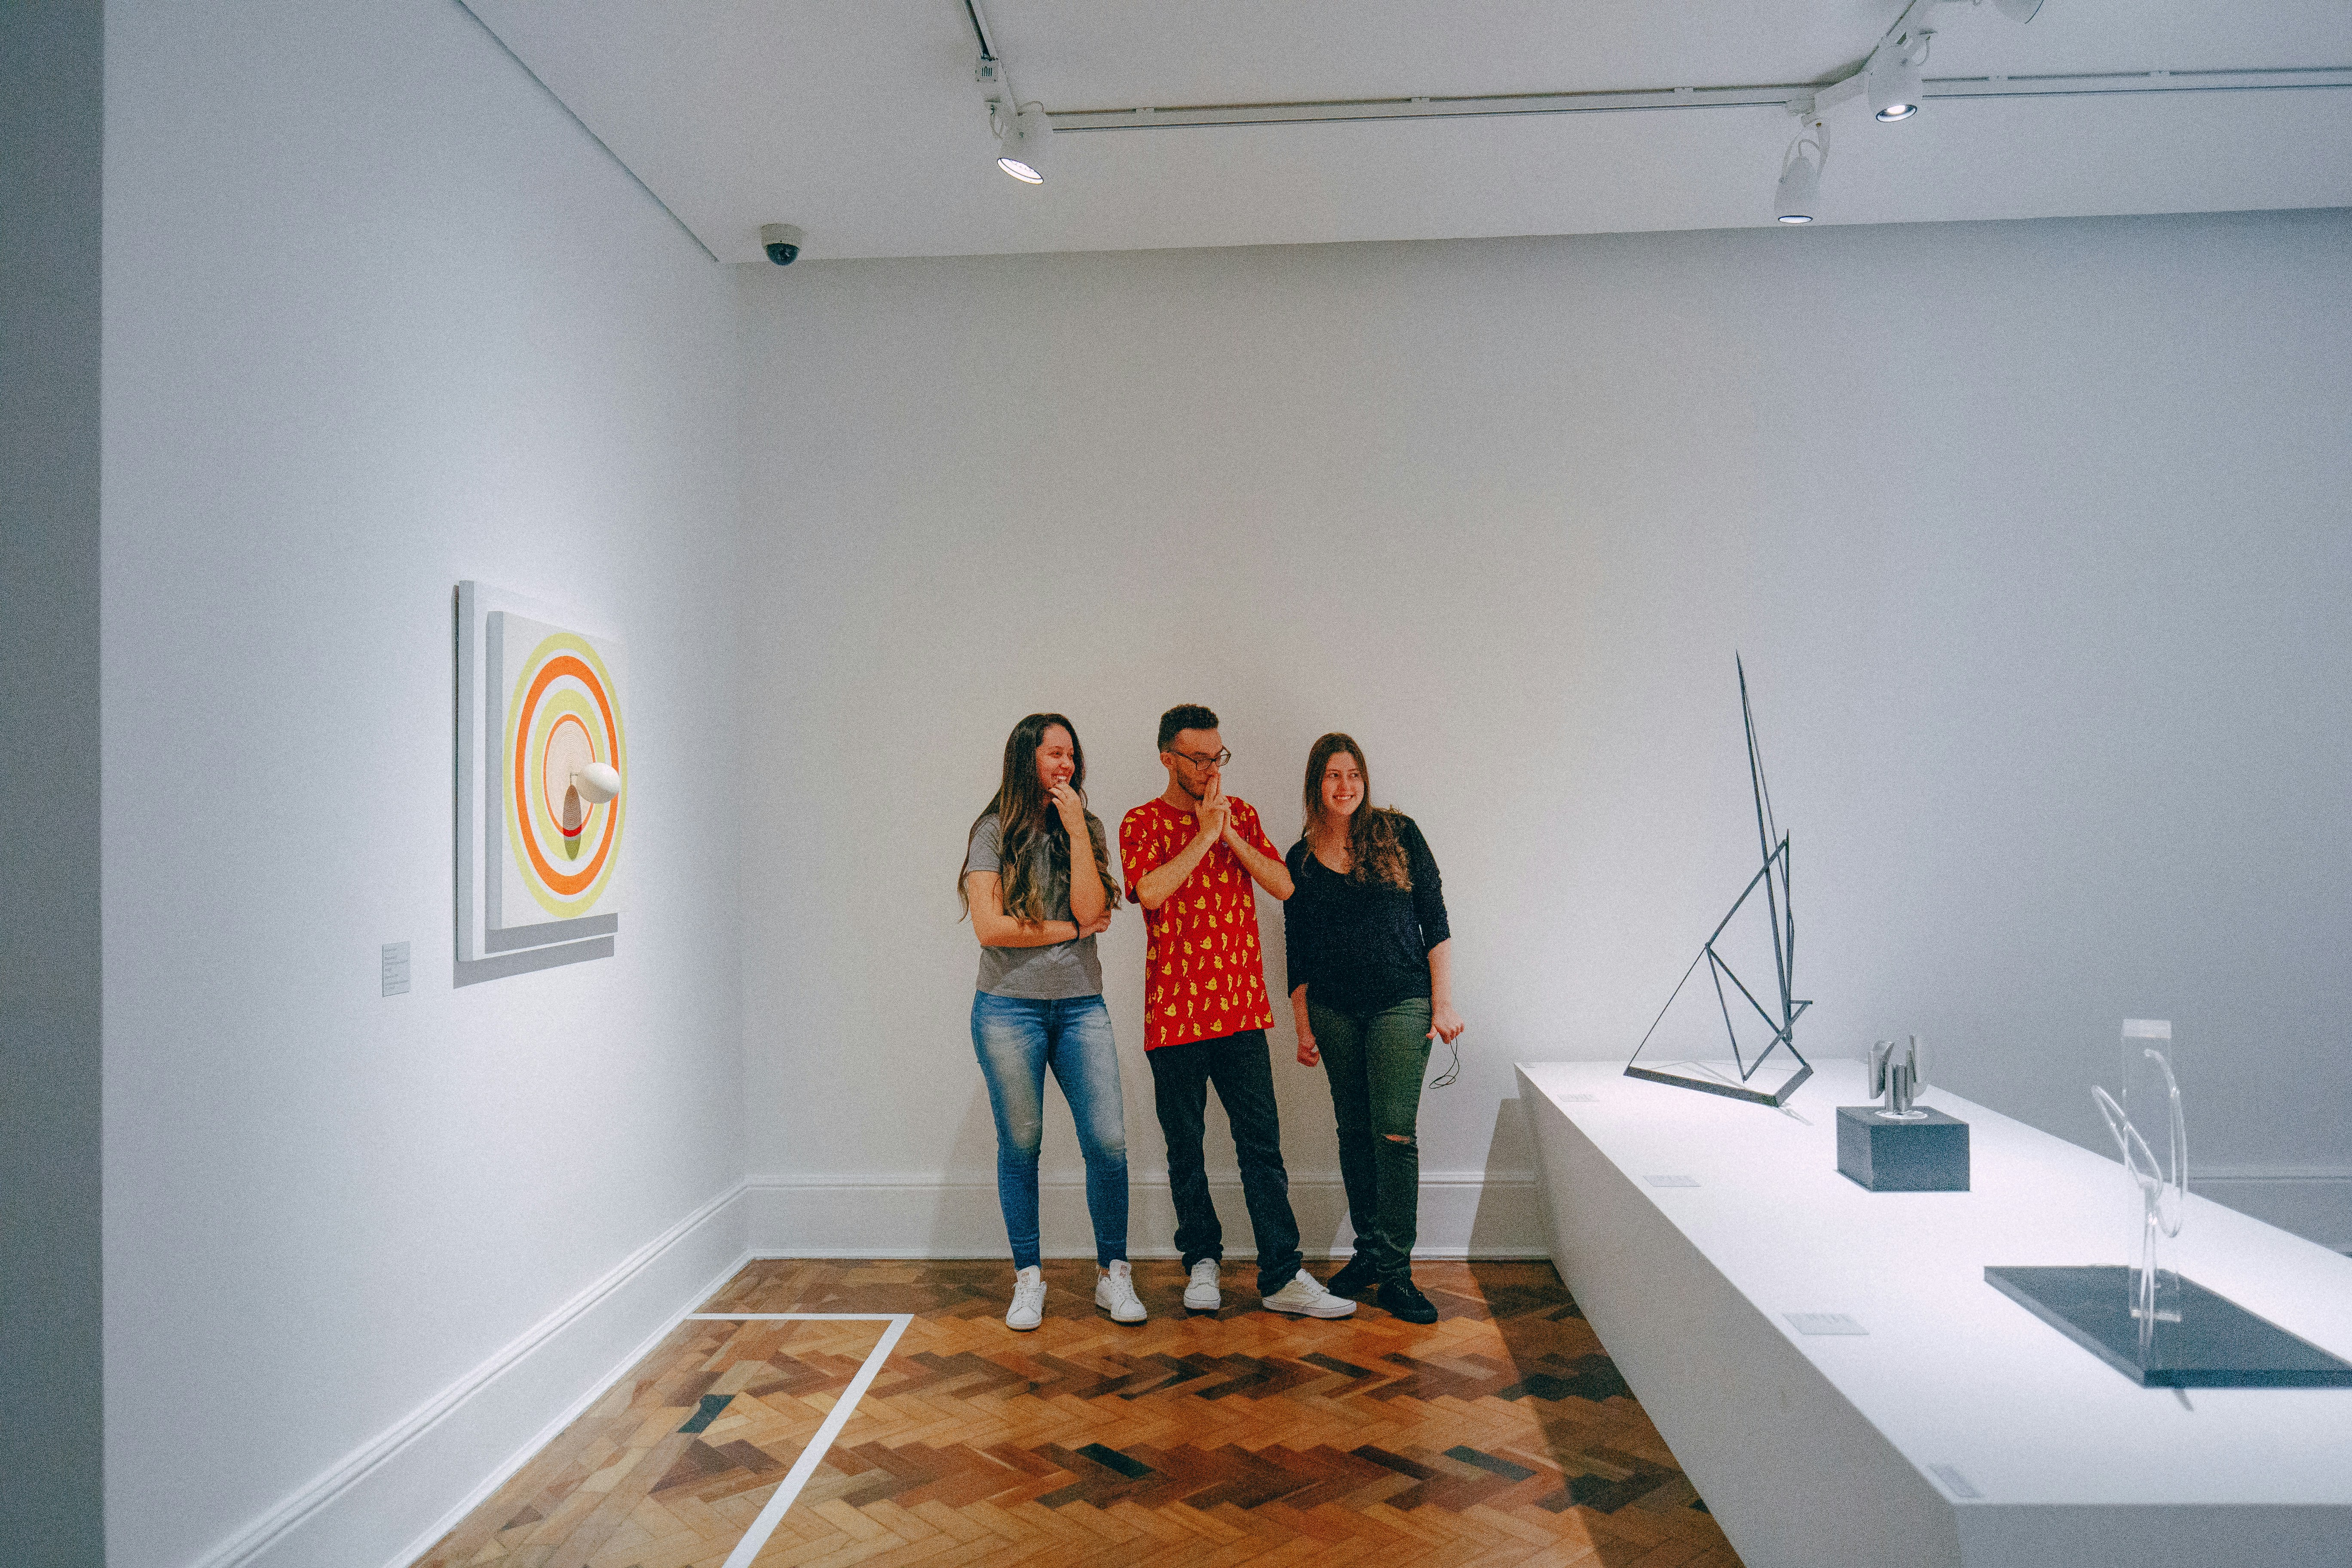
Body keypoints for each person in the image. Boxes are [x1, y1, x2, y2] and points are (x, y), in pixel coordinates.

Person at [1121, 704, 1354, 1319]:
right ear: (1167, 757)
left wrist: (1226, 833)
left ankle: (1281, 1274)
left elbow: (1283, 885)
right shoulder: (1140, 822)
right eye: (1197, 758)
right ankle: (1202, 1260)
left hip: (1240, 1012)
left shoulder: (1241, 815)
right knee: (1186, 1148)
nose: (1208, 768)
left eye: (1216, 757)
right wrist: (1201, 835)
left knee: (1261, 1147)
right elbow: (1149, 892)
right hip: (1174, 1016)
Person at [960, 713, 1145, 1330]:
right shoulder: (991, 832)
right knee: (1021, 1145)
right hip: (1008, 1009)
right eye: (1054, 755)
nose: (1066, 765)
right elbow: (992, 928)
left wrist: (1075, 830)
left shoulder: (1084, 826)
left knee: (1109, 1144)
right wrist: (1069, 930)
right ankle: (1029, 1279)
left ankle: (1113, 1275)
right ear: (1027, 761)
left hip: (1081, 1006)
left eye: (1071, 755)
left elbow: (1097, 907)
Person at [1284, 733, 1464, 1325]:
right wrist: (1302, 1024)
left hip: (1401, 1005)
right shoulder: (1301, 859)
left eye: (1354, 774)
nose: (1345, 786)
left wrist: (1442, 1004)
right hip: (1334, 1011)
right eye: (1333, 776)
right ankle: (1368, 1253)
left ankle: (1397, 1273)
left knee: (1394, 1134)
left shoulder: (1399, 834)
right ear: (1317, 785)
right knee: (1354, 1132)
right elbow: (1297, 950)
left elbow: (1434, 920)